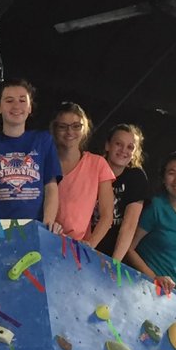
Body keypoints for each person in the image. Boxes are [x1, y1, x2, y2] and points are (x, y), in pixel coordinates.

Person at [0, 80, 61, 227]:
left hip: (34, 226)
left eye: (22, 100)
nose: (16, 106)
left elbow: (51, 186)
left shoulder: (43, 139)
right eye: (9, 101)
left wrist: (48, 223)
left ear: (30, 107)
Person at [126, 151, 176, 310]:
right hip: (137, 284)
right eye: (171, 173)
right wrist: (154, 278)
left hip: (166, 291)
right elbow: (128, 248)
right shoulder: (156, 207)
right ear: (163, 179)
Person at [53, 102, 114, 246]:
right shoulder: (44, 161)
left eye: (76, 126)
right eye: (63, 127)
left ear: (84, 128)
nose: (69, 132)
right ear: (54, 129)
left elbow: (107, 216)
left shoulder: (98, 164)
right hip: (45, 237)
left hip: (78, 247)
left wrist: (90, 245)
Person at [94, 124, 149, 262]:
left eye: (130, 147)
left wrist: (115, 263)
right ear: (108, 145)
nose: (124, 150)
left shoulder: (136, 177)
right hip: (85, 243)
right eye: (119, 144)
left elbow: (129, 225)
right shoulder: (93, 167)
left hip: (112, 252)